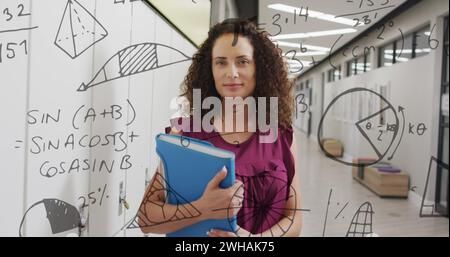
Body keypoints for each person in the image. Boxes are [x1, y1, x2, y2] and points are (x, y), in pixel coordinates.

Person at [138, 18, 302, 237]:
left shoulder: (280, 135)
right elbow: (146, 218)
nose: (231, 73)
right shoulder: (185, 135)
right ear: (211, 70)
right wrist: (202, 209)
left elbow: (294, 217)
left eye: (242, 61)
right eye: (221, 62)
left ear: (258, 68)